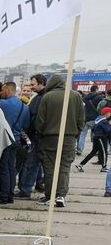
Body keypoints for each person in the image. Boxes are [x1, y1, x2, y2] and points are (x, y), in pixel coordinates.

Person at [35, 73, 85, 207]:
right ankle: (61, 195)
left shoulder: (47, 97)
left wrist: (40, 132)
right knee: (64, 167)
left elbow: (40, 119)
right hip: (69, 137)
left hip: (49, 137)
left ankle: (50, 195)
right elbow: (81, 119)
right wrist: (76, 134)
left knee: (49, 167)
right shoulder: (76, 96)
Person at [0, 82, 29, 204]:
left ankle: (3, 195)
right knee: (11, 167)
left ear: (9, 90)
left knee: (3, 167)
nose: (0, 93)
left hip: (4, 139)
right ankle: (9, 194)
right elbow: (26, 125)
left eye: (2, 90)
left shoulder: (2, 104)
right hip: (16, 139)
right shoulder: (24, 106)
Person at [17, 74, 47, 197]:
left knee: (31, 164)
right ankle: (28, 187)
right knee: (34, 164)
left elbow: (36, 116)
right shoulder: (39, 97)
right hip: (37, 135)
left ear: (41, 83)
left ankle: (26, 189)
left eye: (33, 84)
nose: (32, 87)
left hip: (37, 135)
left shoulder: (42, 98)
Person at [79, 106, 111, 172]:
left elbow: (93, 129)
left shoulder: (98, 119)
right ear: (106, 113)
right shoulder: (104, 121)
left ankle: (81, 164)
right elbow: (108, 131)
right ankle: (104, 167)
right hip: (101, 138)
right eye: (110, 113)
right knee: (104, 152)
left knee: (93, 152)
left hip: (96, 137)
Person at [78, 85, 104, 154]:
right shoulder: (99, 97)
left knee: (83, 134)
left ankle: (79, 150)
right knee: (96, 135)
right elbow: (101, 108)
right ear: (96, 90)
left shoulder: (84, 98)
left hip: (86, 119)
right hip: (95, 119)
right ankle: (95, 151)